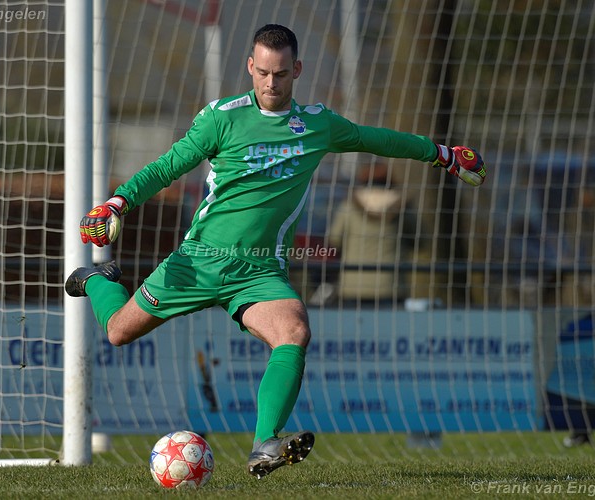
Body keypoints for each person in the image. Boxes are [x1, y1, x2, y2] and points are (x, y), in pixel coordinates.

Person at [65, 24, 486, 478]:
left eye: (281, 74)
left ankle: (265, 443)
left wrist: (441, 154)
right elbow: (167, 167)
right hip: (200, 260)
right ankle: (97, 280)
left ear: (296, 70)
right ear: (250, 66)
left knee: (294, 330)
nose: (271, 83)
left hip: (260, 271)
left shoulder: (317, 125)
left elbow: (376, 139)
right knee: (118, 332)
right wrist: (118, 202)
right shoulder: (222, 118)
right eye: (263, 72)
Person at [327, 162, 412, 307]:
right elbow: (417, 240)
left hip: (353, 284)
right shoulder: (402, 207)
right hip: (391, 284)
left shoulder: (349, 206)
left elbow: (334, 240)